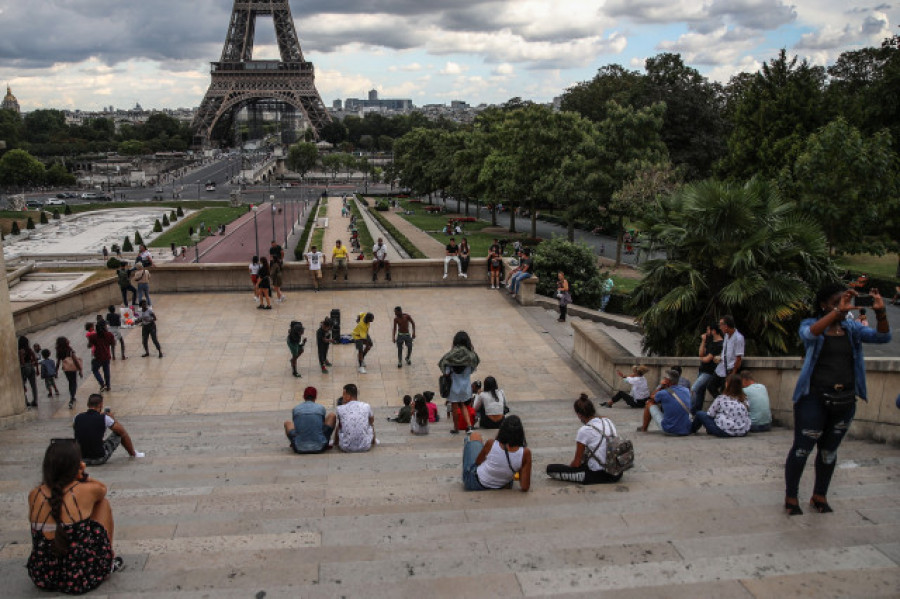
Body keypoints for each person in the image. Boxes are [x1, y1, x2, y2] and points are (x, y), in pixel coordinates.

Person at [784, 283, 891, 515]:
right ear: (824, 304)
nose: (843, 306)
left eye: (845, 301)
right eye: (836, 301)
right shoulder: (811, 325)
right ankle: (791, 496)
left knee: (829, 451)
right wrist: (835, 313)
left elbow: (883, 337)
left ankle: (819, 495)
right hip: (813, 397)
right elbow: (809, 335)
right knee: (802, 449)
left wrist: (880, 312)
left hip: (844, 399)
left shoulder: (851, 329)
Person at [26, 439, 123, 594]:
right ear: (76, 465)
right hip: (79, 578)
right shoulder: (83, 491)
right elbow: (102, 489)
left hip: (42, 576)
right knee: (102, 504)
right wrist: (83, 476)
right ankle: (108, 561)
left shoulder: (34, 494)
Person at [546, 394, 625, 484]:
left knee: (551, 469)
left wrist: (570, 469)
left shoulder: (584, 430)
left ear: (579, 415)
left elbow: (577, 462)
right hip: (617, 472)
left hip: (601, 475)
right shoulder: (607, 420)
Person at [461, 415, 532, 491]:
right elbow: (525, 487)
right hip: (501, 485)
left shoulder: (491, 443)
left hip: (475, 483)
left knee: (474, 436)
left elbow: (478, 462)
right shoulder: (525, 453)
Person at [73, 394, 145, 464]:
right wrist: (113, 419)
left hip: (81, 458)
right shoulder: (104, 418)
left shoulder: (77, 417)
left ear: (88, 404)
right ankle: (133, 453)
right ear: (100, 405)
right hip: (99, 457)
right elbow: (121, 431)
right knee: (119, 433)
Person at [438, 331, 480, 433]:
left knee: (455, 406)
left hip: (454, 387)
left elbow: (445, 370)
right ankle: (469, 426)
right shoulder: (471, 356)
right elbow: (472, 369)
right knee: (464, 405)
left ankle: (456, 428)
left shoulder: (450, 356)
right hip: (465, 386)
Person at [637, 370, 692, 435]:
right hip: (686, 430)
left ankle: (644, 428)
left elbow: (651, 397)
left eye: (665, 378)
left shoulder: (663, 393)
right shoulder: (686, 390)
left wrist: (661, 386)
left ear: (667, 381)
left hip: (669, 429)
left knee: (649, 403)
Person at [284, 386, 336, 454]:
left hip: (299, 447)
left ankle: (294, 442)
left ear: (303, 397)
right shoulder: (321, 408)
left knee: (287, 423)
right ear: (315, 397)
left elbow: (296, 425)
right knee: (332, 416)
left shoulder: (296, 409)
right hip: (320, 446)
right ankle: (326, 441)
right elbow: (322, 424)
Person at [692, 324, 724, 413]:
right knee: (700, 392)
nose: (706, 332)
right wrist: (703, 341)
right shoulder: (710, 342)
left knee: (695, 388)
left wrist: (703, 358)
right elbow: (701, 354)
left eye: (708, 330)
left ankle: (691, 410)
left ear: (713, 331)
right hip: (702, 370)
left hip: (709, 372)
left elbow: (706, 359)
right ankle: (696, 411)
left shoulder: (720, 344)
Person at [334, 384, 376, 452]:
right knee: (370, 424)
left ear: (348, 396)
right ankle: (373, 442)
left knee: (339, 425)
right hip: (365, 446)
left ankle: (335, 443)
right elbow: (372, 421)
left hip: (346, 447)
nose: (343, 397)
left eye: (344, 394)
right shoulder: (366, 406)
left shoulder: (340, 408)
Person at [714, 315, 744, 391]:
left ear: (726, 326)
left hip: (731, 369)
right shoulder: (726, 336)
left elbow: (739, 358)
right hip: (722, 366)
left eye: (721, 325)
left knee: (725, 390)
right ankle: (720, 401)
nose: (720, 327)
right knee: (711, 386)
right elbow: (725, 350)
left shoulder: (738, 338)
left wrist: (733, 373)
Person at [56, 337, 83, 409]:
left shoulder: (59, 351)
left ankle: (72, 396)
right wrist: (80, 370)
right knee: (74, 382)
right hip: (72, 369)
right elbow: (75, 361)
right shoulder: (70, 350)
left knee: (70, 382)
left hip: (66, 369)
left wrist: (56, 371)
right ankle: (72, 398)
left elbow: (58, 362)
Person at [87, 321, 115, 392]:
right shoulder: (109, 334)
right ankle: (108, 386)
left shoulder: (93, 336)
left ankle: (102, 383)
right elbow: (113, 343)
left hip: (97, 356)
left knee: (95, 370)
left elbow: (89, 345)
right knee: (106, 371)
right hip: (106, 355)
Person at [19, 335, 39, 407]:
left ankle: (26, 401)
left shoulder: (21, 350)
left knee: (22, 385)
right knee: (33, 385)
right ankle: (35, 400)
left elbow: (22, 362)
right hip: (31, 366)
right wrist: (37, 369)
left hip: (24, 368)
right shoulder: (29, 349)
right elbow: (35, 359)